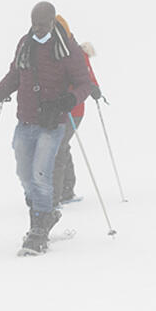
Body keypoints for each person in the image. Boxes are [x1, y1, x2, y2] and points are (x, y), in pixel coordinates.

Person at [0, 2, 92, 256]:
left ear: (53, 22)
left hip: (53, 123)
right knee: (24, 173)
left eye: (43, 24)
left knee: (42, 174)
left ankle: (38, 230)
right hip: (26, 120)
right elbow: (15, 76)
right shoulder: (25, 44)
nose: (38, 29)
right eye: (34, 24)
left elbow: (83, 83)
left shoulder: (67, 49)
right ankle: (45, 213)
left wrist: (70, 100)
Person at [53, 34, 101, 206]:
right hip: (58, 110)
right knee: (61, 146)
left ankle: (57, 196)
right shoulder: (55, 52)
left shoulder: (77, 56)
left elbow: (89, 81)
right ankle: (66, 190)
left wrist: (92, 89)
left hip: (73, 110)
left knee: (59, 148)